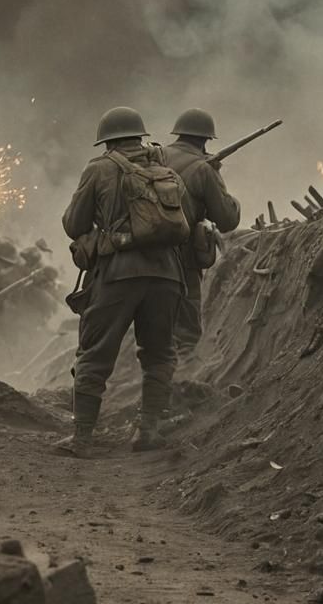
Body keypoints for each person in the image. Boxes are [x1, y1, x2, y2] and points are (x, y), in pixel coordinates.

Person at [59, 107, 185, 457]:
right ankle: (149, 431)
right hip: (166, 273)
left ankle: (82, 438)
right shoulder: (165, 170)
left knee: (95, 353)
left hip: (118, 273)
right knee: (159, 353)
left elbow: (74, 223)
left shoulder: (99, 168)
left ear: (107, 141)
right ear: (140, 136)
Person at [163, 109, 241, 352]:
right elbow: (227, 219)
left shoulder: (155, 157)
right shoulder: (203, 169)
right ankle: (179, 384)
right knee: (185, 335)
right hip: (182, 259)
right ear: (205, 139)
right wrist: (215, 174)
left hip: (143, 251)